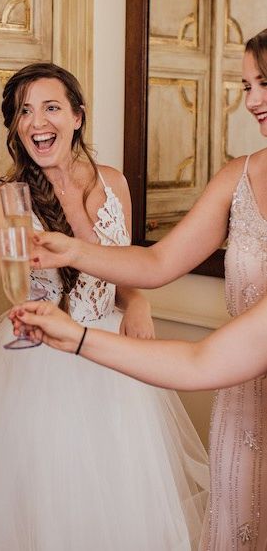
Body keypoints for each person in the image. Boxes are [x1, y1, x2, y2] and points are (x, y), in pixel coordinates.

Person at [0, 63, 208, 550]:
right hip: (37, 364)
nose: (35, 122)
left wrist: (139, 304)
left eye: (50, 107)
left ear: (77, 116)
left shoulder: (113, 183)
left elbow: (129, 264)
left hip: (111, 359)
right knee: (44, 501)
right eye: (24, 111)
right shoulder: (1, 199)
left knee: (122, 496)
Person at [25, 29, 267, 549]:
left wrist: (78, 338)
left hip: (228, 361)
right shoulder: (237, 177)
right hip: (243, 400)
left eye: (264, 84)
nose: (252, 102)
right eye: (246, 86)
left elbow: (202, 361)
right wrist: (74, 251)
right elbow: (157, 261)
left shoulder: (108, 179)